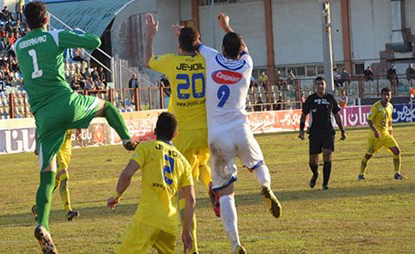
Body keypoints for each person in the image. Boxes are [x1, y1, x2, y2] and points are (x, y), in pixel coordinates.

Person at [14, 1, 136, 253]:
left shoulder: (17, 46)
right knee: (106, 107)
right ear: (47, 19)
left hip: (43, 116)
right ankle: (125, 139)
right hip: (66, 102)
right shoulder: (54, 36)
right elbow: (95, 42)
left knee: (47, 177)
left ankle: (43, 225)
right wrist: (78, 34)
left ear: (26, 23)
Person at [197, 13, 281, 253]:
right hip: (241, 130)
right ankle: (265, 185)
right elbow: (241, 47)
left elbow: (194, 44)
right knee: (257, 164)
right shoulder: (247, 64)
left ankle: (235, 243)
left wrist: (181, 34)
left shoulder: (212, 58)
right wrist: (228, 27)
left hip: (218, 137)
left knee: (225, 194)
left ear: (222, 49)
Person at [144, 13, 211, 251]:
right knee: (201, 165)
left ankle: (189, 244)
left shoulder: (172, 61)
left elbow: (147, 60)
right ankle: (212, 184)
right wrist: (187, 39)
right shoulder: (206, 61)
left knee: (184, 193)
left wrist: (151, 34)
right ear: (198, 42)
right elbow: (202, 51)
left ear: (178, 44)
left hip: (181, 135)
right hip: (205, 131)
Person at [108, 112, 195, 254]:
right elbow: (190, 199)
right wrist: (186, 231)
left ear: (155, 131)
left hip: (147, 218)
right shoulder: (183, 162)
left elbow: (127, 174)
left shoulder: (146, 148)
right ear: (175, 134)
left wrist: (116, 195)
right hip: (170, 224)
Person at [298, 76, 346, 190]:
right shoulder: (310, 99)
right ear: (315, 86)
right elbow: (304, 115)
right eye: (318, 84)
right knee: (312, 160)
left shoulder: (330, 98)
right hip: (314, 132)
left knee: (327, 154)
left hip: (328, 132)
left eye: (322, 84)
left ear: (325, 85)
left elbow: (336, 115)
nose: (320, 86)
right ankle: (315, 173)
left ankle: (325, 184)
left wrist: (342, 130)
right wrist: (301, 130)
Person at [32, 129, 81, 223]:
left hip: (67, 151)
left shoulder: (70, 114)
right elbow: (38, 127)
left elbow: (77, 118)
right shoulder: (50, 114)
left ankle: (38, 207)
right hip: (56, 150)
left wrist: (79, 130)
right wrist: (37, 145)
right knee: (64, 177)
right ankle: (69, 210)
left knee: (54, 182)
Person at [358, 88, 403, 181]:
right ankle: (361, 174)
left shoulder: (390, 106)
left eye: (388, 95)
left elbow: (389, 121)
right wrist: (375, 131)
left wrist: (391, 132)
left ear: (390, 96)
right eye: (384, 95)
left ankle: (397, 173)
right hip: (375, 136)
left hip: (385, 135)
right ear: (381, 95)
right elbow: (369, 120)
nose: (386, 97)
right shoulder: (376, 106)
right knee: (368, 155)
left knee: (397, 151)